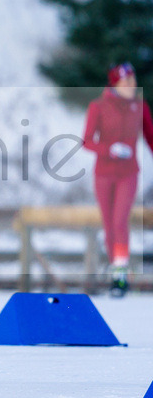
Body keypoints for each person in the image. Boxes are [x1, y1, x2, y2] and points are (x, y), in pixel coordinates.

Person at [82, 62, 153, 295]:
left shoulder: (139, 107)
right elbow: (87, 140)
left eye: (133, 80)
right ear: (115, 84)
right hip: (104, 174)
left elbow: (150, 137)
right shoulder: (98, 107)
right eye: (126, 81)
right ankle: (116, 269)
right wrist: (109, 148)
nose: (132, 85)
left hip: (128, 173)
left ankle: (120, 275)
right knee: (109, 226)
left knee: (120, 221)